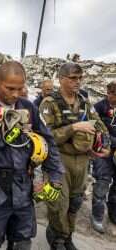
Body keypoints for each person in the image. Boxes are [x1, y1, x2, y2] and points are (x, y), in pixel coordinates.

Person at [0, 61, 64, 250]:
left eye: (20, 88)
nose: (15, 94)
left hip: (23, 192)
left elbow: (49, 141)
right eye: (10, 88)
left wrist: (55, 177)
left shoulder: (29, 108)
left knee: (23, 241)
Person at [39, 63, 109, 250]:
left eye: (80, 78)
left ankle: (67, 236)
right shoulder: (49, 103)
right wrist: (74, 128)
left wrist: (104, 145)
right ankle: (57, 239)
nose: (77, 82)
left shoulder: (85, 103)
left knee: (75, 201)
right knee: (56, 203)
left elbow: (100, 125)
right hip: (58, 160)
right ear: (61, 79)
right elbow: (46, 136)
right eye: (73, 78)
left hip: (83, 160)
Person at [90, 81, 116, 233]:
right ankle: (97, 216)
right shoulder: (100, 107)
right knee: (102, 183)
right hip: (103, 151)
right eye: (109, 93)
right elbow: (93, 128)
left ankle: (113, 215)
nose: (110, 96)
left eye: (113, 94)